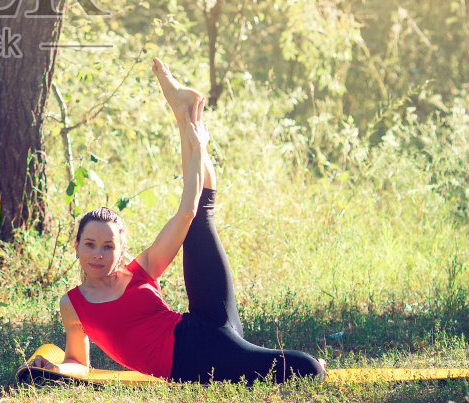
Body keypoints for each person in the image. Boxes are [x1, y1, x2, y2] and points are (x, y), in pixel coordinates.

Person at [33, 59, 325, 384]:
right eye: (90, 244)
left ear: (122, 250)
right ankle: (185, 114)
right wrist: (57, 368)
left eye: (108, 246)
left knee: (199, 217)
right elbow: (78, 362)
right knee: (308, 369)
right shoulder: (72, 304)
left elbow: (186, 212)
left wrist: (198, 148)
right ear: (76, 247)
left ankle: (183, 114)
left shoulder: (140, 271)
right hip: (194, 358)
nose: (98, 254)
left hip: (204, 332)